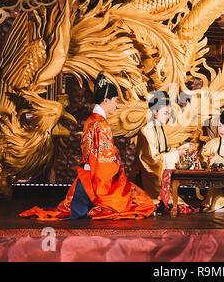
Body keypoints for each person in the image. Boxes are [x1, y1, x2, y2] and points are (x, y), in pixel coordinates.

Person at [20, 72, 154, 220]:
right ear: (106, 100)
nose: (117, 105)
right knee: (144, 203)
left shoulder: (92, 120)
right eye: (116, 100)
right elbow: (105, 158)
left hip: (88, 175)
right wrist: (116, 163)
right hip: (98, 178)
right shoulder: (101, 124)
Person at [135, 90, 194, 212]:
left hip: (159, 171)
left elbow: (164, 152)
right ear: (155, 112)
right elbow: (152, 159)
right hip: (150, 177)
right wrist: (176, 154)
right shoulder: (146, 131)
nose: (168, 117)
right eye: (165, 113)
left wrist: (180, 150)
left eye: (169, 114)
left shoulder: (159, 129)